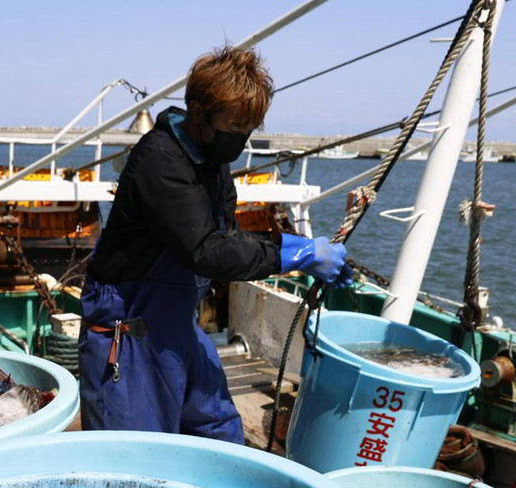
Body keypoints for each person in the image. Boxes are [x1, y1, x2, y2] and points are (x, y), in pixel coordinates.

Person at [78, 45, 353, 444]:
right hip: (129, 326)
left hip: (179, 323)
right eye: (234, 126)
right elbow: (206, 250)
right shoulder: (159, 161)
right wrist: (298, 253)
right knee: (136, 451)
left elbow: (226, 234)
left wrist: (298, 246)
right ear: (197, 110)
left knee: (219, 429)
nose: (239, 138)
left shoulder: (213, 160)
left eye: (248, 128)